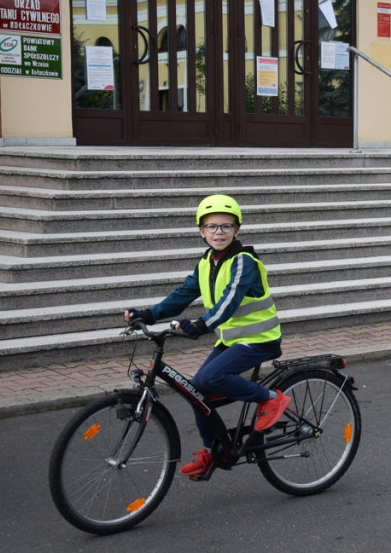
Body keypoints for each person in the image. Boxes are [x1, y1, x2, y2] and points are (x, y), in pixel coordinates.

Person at [124, 194, 290, 477]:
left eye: (226, 226)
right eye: (212, 226)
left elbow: (230, 301)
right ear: (201, 231)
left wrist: (200, 325)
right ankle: (213, 450)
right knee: (196, 392)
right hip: (231, 340)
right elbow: (183, 295)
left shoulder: (243, 261)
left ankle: (271, 397)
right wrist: (148, 314)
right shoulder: (206, 263)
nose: (219, 232)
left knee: (207, 379)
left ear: (236, 230)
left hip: (260, 340)